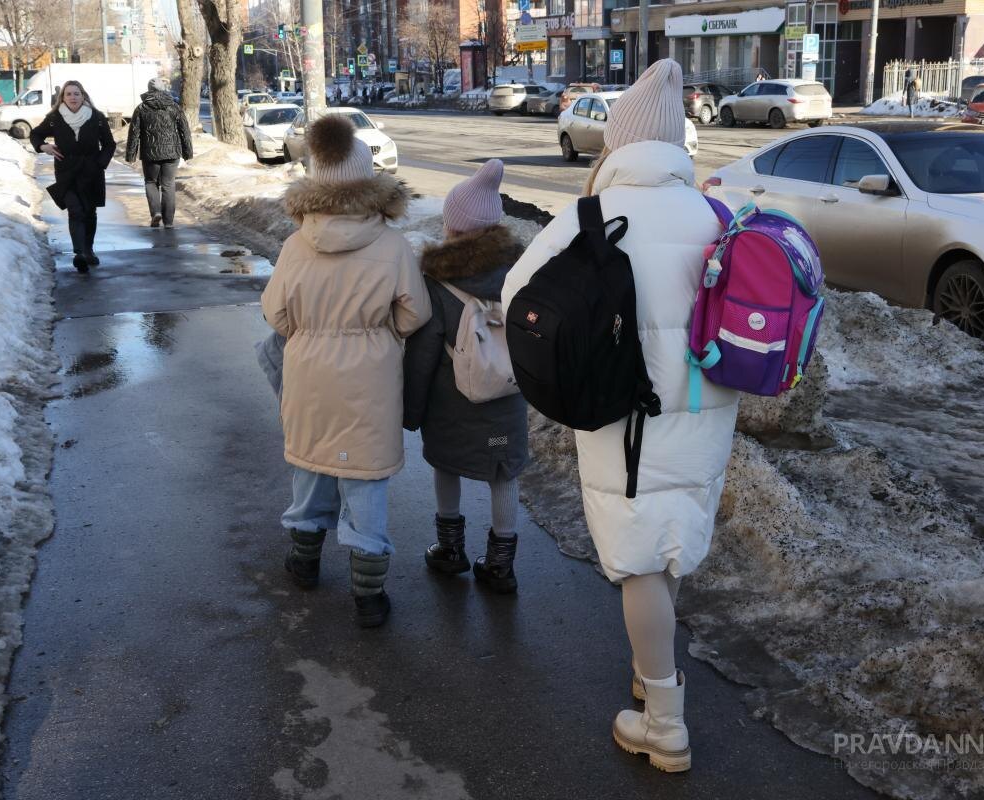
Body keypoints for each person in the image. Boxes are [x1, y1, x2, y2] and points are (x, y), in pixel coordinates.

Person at [502, 59, 739, 773]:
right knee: (668, 545)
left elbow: (519, 297)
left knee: (638, 559)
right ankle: (650, 662)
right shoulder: (715, 214)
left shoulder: (592, 218)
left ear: (617, 142)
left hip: (619, 416)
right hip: (705, 410)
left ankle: (663, 723)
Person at [261, 115, 431, 629]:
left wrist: (311, 331)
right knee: (365, 481)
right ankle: (369, 595)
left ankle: (305, 562)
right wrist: (379, 332)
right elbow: (414, 313)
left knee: (310, 470)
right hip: (371, 379)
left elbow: (276, 314)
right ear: (370, 184)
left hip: (309, 375)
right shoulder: (393, 246)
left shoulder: (295, 246)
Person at [403, 159, 529, 593]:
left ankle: (450, 549)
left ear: (452, 225)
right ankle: (500, 564)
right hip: (507, 399)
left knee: (445, 463)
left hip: (449, 404)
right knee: (502, 471)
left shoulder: (437, 281)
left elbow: (421, 355)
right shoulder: (522, 273)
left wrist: (412, 411)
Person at [30, 80, 117, 273]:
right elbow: (36, 134)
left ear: (83, 96)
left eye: (76, 94)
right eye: (68, 94)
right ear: (63, 97)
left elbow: (109, 144)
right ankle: (79, 253)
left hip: (91, 172)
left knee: (89, 212)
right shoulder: (54, 118)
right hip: (66, 172)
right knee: (75, 211)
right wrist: (44, 146)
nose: (72, 97)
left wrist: (100, 163)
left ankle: (88, 249)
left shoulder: (97, 117)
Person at [125, 77, 193, 229]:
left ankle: (156, 212)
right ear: (164, 89)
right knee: (168, 184)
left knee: (151, 182)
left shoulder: (141, 108)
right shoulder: (174, 107)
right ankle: (168, 222)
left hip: (150, 153)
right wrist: (187, 152)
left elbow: (134, 133)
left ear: (149, 89)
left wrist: (130, 154)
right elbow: (185, 131)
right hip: (172, 152)